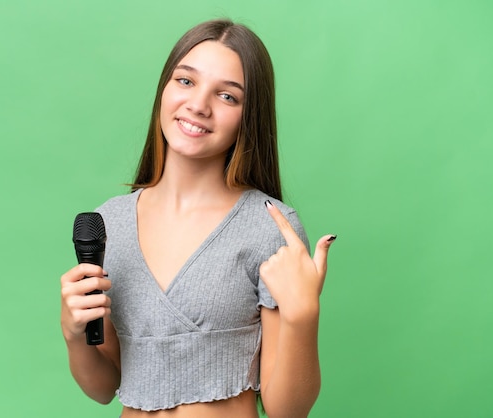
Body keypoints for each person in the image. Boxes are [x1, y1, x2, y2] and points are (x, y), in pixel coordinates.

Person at [60, 19, 336, 418]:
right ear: (164, 89)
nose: (198, 105)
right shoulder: (109, 223)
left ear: (249, 116)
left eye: (227, 96)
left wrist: (302, 316)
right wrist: (74, 333)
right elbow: (103, 388)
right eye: (186, 81)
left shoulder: (270, 226)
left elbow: (286, 412)